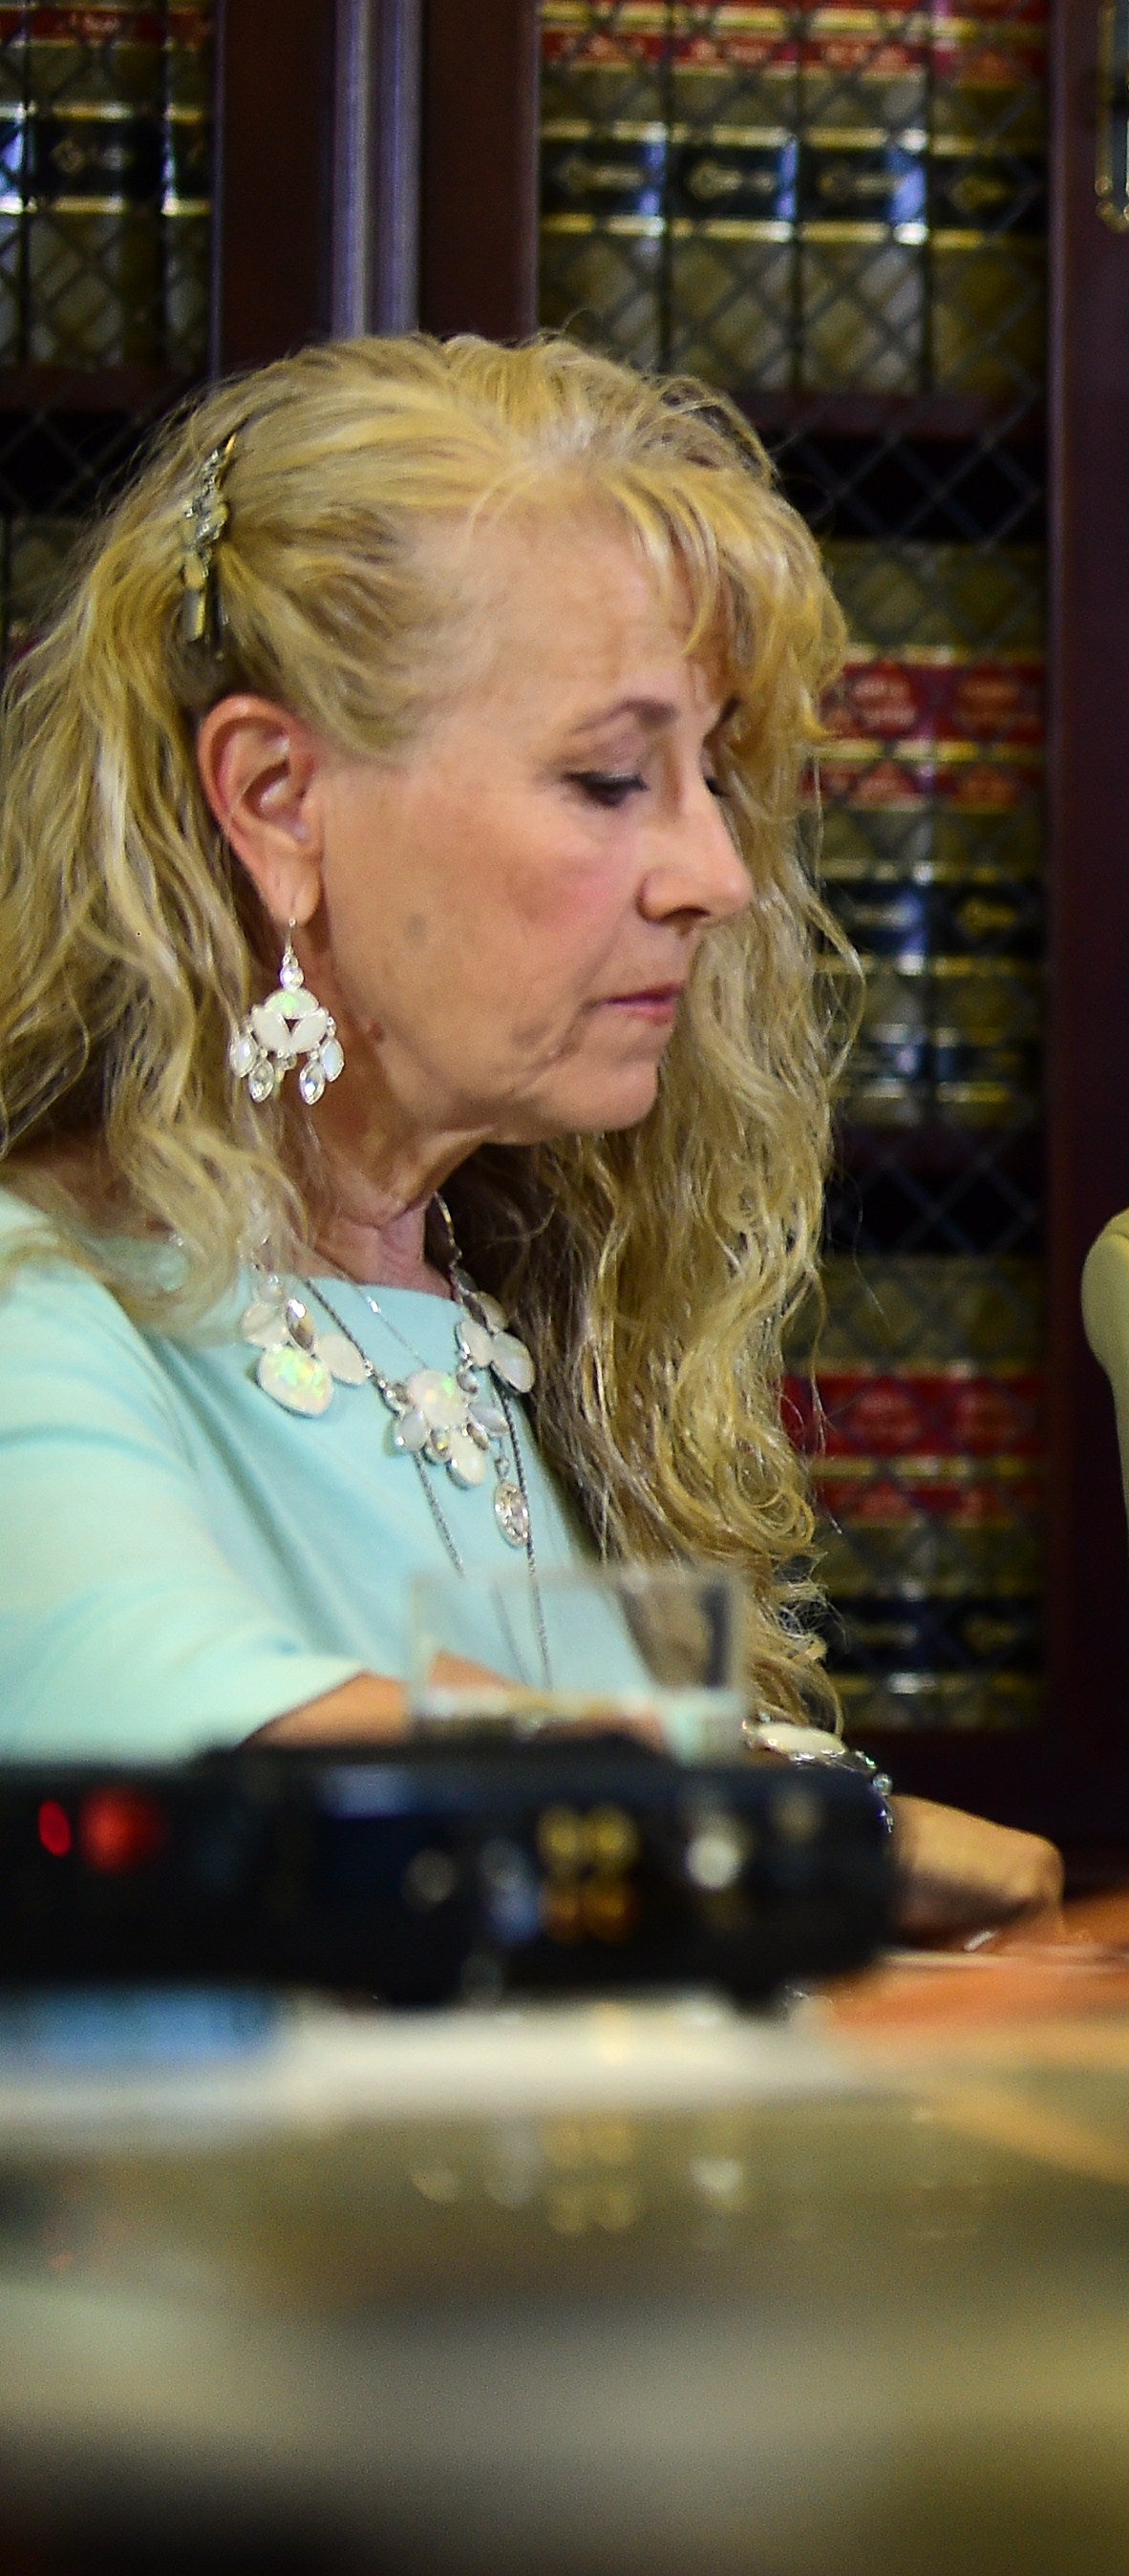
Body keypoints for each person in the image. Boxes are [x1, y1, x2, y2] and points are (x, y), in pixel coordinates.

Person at [0, 334, 1062, 1942]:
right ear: (278, 796)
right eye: (611, 776)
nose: (716, 872)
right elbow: (238, 1761)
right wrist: (829, 1821)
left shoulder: (515, 1310)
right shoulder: (36, 1314)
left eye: (712, 776)